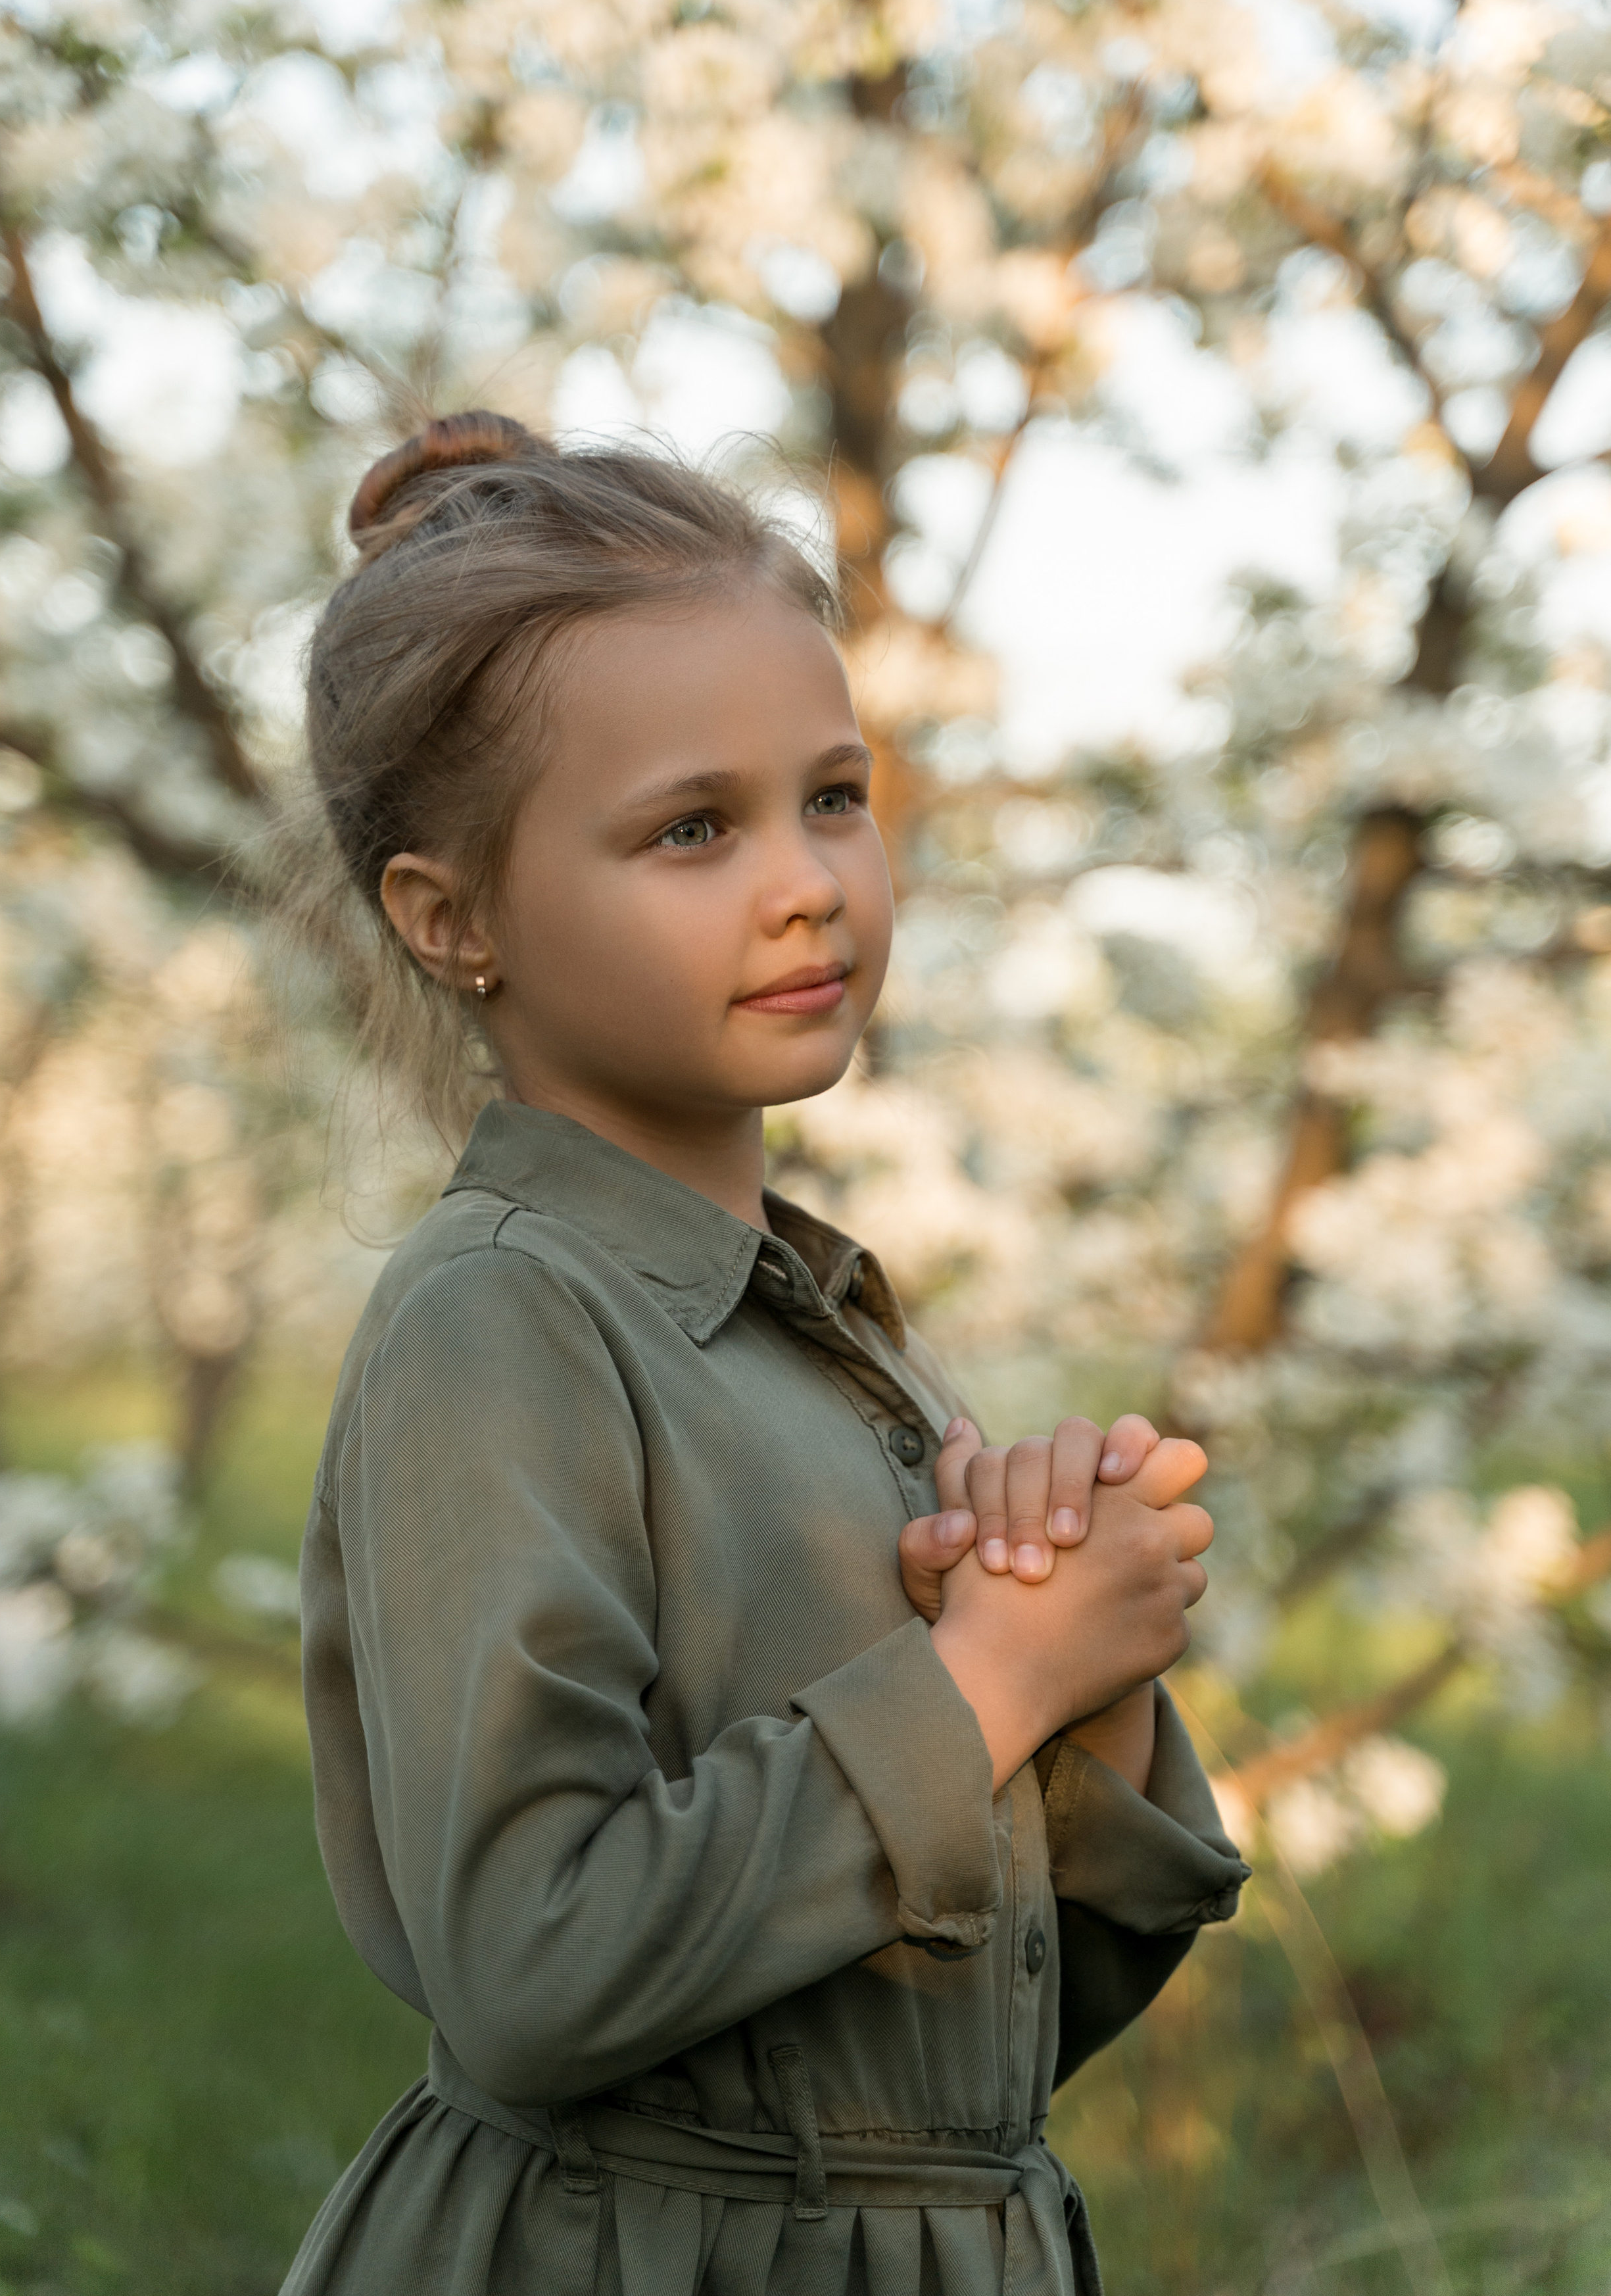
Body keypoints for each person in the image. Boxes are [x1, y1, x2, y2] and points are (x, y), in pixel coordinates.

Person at [280, 413, 1249, 2296]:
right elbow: (533, 1974)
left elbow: (989, 2060)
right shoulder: (504, 1318)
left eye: (833, 795)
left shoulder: (840, 1345)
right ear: (451, 917)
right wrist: (980, 1679)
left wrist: (1085, 1688)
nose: (806, 882)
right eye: (692, 829)